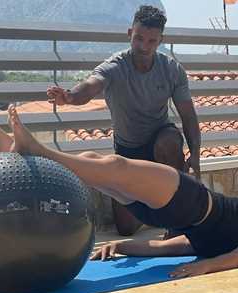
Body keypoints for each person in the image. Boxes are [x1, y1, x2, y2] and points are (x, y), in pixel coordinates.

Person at [0, 107, 238, 278]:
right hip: (167, 210)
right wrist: (121, 247)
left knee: (115, 165)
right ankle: (5, 143)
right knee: (91, 160)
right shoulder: (208, 242)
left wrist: (203, 267)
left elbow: (235, 261)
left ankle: (35, 151)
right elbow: (160, 247)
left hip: (188, 199)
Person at [46, 5, 201, 236]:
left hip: (160, 141)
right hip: (128, 149)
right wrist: (70, 97)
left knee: (168, 141)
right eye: (139, 38)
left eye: (151, 41)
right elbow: (90, 87)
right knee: (126, 229)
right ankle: (156, 210)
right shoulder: (115, 66)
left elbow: (188, 115)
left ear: (160, 40)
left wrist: (196, 157)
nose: (144, 46)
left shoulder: (172, 69)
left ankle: (177, 218)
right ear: (130, 33)